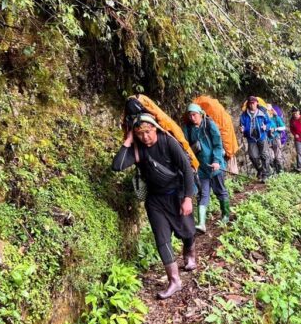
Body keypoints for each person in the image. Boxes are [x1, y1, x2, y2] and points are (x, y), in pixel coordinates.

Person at [112, 113, 196, 300]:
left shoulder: (168, 142)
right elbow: (117, 166)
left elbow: (186, 169)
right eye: (140, 134)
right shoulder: (137, 148)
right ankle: (174, 281)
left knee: (188, 231)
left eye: (148, 132)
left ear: (155, 129)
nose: (145, 137)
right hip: (155, 200)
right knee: (162, 239)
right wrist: (129, 140)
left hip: (178, 194)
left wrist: (188, 198)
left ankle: (189, 253)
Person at [183, 103, 231, 232]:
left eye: (194, 115)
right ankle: (202, 223)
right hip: (201, 167)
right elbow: (185, 147)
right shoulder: (187, 129)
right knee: (203, 193)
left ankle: (226, 215)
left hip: (215, 165)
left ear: (200, 114)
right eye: (190, 115)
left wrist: (216, 161)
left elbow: (217, 145)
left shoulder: (209, 124)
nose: (192, 118)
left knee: (220, 190)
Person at [240, 96, 271, 182]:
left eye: (253, 103)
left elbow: (269, 122)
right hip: (251, 138)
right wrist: (242, 129)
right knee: (253, 156)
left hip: (262, 136)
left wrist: (266, 127)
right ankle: (260, 170)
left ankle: (265, 174)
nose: (251, 105)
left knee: (264, 155)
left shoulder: (263, 112)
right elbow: (242, 125)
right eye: (250, 103)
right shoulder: (244, 114)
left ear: (257, 103)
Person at [266, 104, 287, 173]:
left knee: (278, 157)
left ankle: (280, 171)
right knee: (271, 157)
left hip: (276, 138)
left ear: (272, 110)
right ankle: (274, 171)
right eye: (267, 111)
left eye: (269, 110)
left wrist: (275, 129)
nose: (268, 112)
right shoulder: (264, 119)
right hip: (268, 140)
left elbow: (283, 127)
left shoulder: (276, 118)